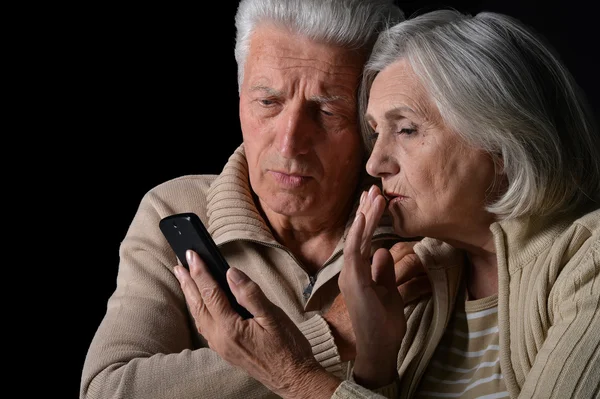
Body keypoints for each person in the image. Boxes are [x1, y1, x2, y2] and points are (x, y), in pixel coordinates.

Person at [172, 8, 600, 399]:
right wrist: (376, 361)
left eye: (407, 130)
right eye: (376, 133)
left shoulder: (589, 262)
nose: (375, 163)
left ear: (504, 141)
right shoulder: (423, 272)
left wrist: (295, 375)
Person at [80, 1, 432, 398]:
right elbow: (107, 390)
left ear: (371, 123)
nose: (289, 143)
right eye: (268, 102)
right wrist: (330, 336)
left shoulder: (419, 231)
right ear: (239, 97)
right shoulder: (174, 207)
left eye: (327, 110)